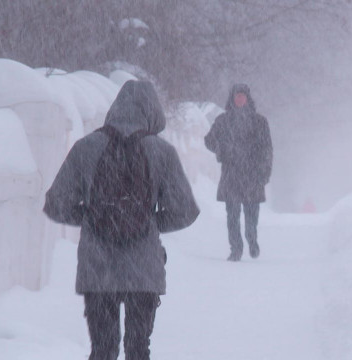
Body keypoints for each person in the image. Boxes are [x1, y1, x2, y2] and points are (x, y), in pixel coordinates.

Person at [43, 80, 199, 360]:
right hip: (143, 270)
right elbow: (185, 211)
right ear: (152, 113)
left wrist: (92, 217)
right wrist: (149, 222)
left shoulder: (86, 147)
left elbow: (56, 205)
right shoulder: (162, 152)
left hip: (97, 268)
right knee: (138, 350)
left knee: (103, 350)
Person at [204, 84, 273, 262]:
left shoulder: (259, 122)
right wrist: (221, 149)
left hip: (253, 175)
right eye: (237, 95)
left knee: (251, 215)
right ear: (232, 98)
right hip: (231, 175)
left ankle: (252, 239)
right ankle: (236, 249)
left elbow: (267, 150)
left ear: (248, 98)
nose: (239, 99)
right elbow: (209, 140)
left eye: (242, 95)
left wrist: (264, 173)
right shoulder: (223, 121)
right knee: (232, 215)